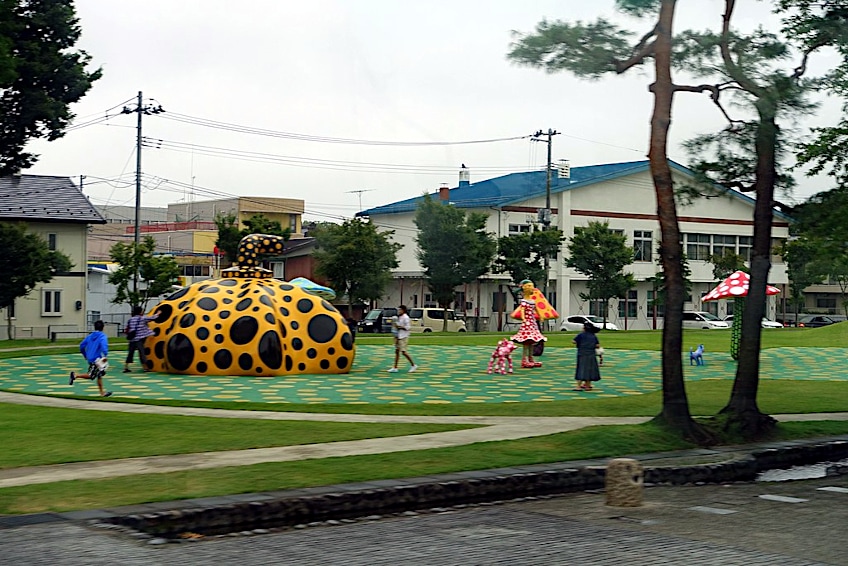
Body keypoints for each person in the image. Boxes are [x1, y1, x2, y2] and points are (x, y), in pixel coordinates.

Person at [69, 320, 112, 397]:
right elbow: (104, 346)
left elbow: (82, 345)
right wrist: (105, 355)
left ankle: (102, 392)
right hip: (97, 359)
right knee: (91, 375)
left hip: (90, 358)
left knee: (99, 375)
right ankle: (75, 375)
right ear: (103, 327)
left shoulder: (90, 336)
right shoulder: (102, 336)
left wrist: (84, 354)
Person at [510, 280, 547, 368]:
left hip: (532, 322)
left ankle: (531, 359)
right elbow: (522, 310)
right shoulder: (524, 301)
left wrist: (541, 316)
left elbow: (536, 309)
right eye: (530, 286)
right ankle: (524, 360)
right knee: (526, 342)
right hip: (527, 323)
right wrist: (523, 318)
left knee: (532, 341)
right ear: (525, 288)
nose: (532, 289)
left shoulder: (532, 301)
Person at [123, 305, 159, 373]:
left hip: (132, 339)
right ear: (140, 312)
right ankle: (145, 368)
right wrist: (158, 313)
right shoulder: (142, 318)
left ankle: (126, 367)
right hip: (139, 339)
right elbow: (152, 318)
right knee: (142, 353)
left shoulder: (131, 319)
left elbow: (128, 328)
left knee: (130, 353)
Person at [388, 304, 417, 373]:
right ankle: (395, 367)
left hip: (403, 336)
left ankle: (413, 365)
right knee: (397, 351)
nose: (398, 311)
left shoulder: (406, 317)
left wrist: (399, 327)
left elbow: (408, 327)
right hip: (398, 336)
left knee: (403, 352)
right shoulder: (399, 317)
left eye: (400, 310)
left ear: (403, 310)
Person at [573, 322, 602, 391]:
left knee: (581, 369)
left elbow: (574, 341)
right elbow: (597, 346)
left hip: (582, 354)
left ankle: (578, 386)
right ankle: (588, 386)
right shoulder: (593, 336)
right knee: (589, 370)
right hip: (591, 354)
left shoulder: (581, 335)